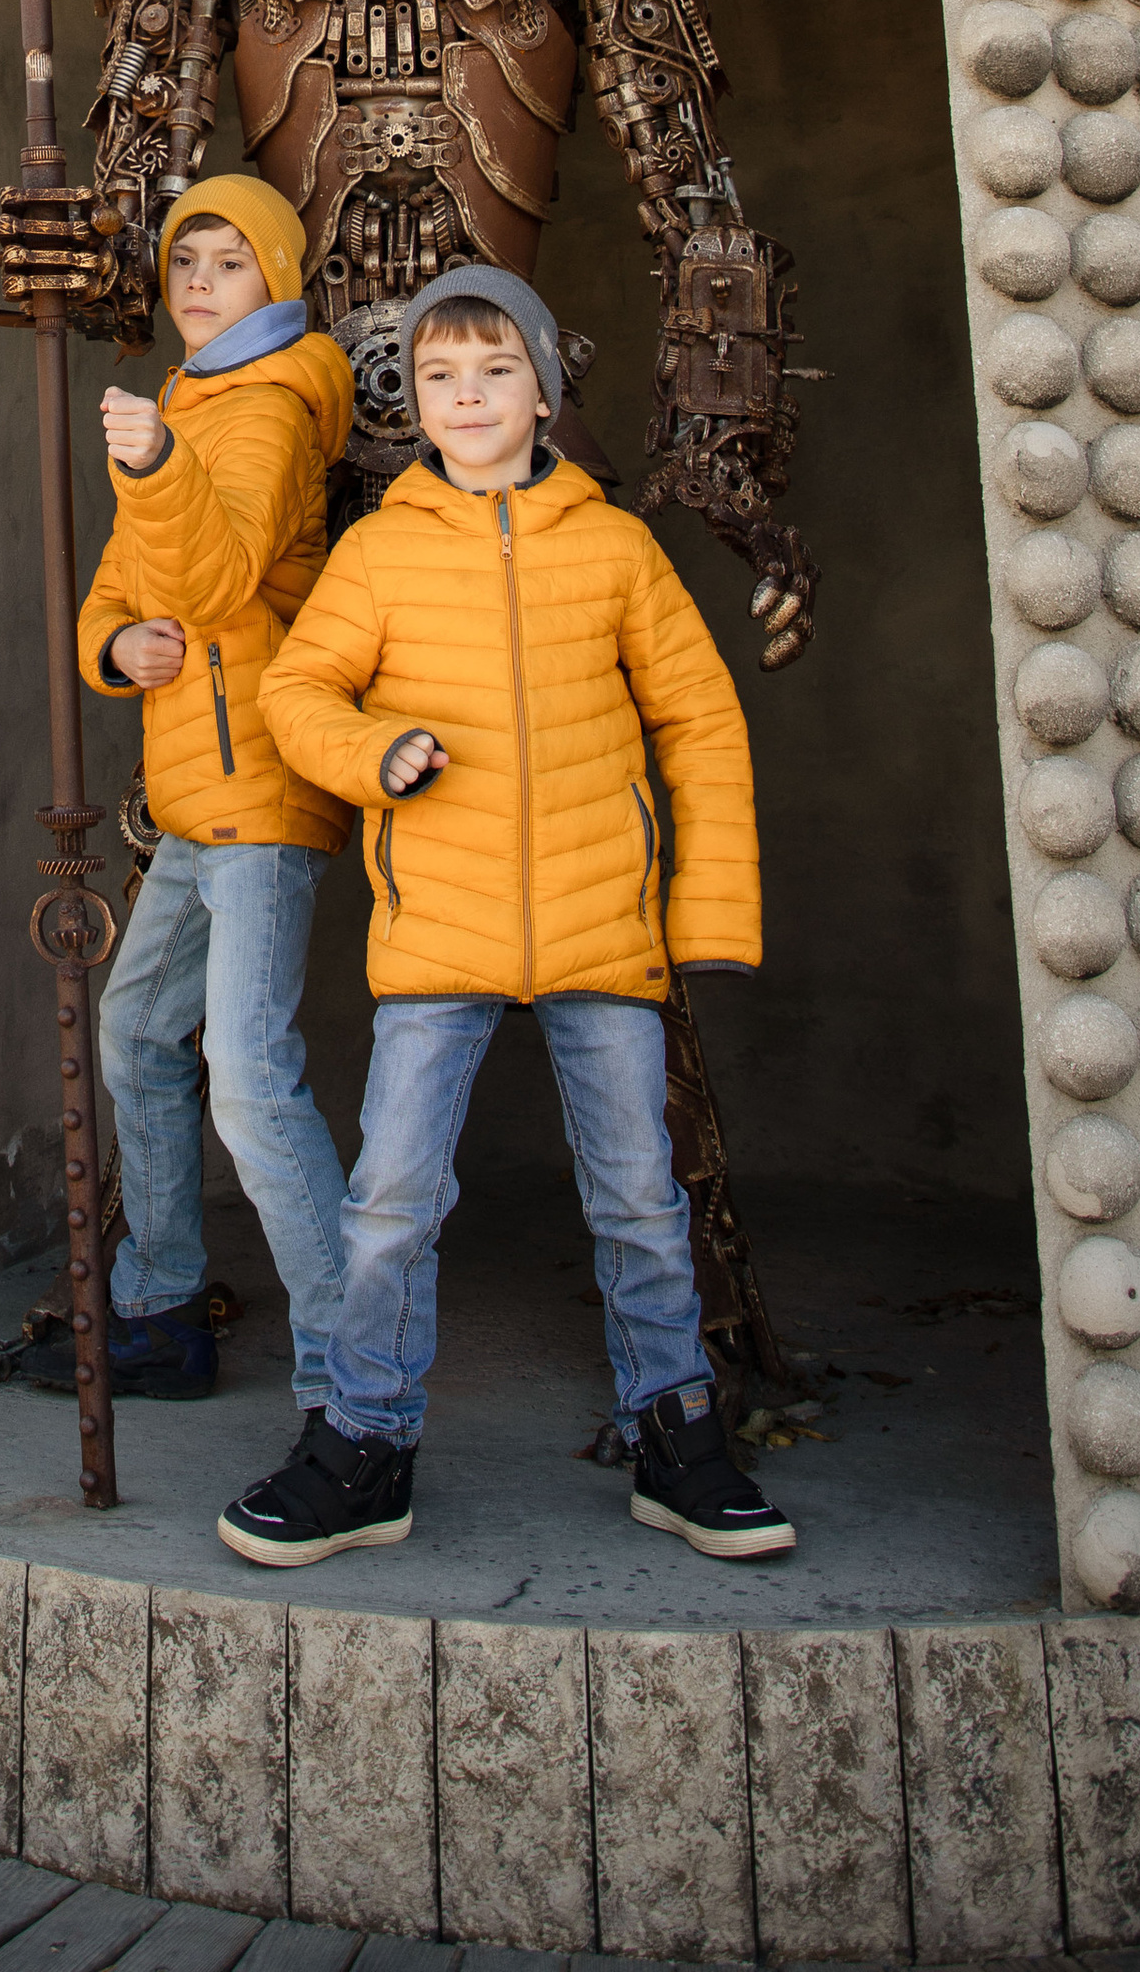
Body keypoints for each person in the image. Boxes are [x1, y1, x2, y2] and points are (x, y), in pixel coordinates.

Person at [216, 263, 795, 1568]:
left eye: (493, 372)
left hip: (605, 931)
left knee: (642, 1203)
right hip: (439, 934)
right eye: (438, 376)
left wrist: (703, 914)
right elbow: (299, 694)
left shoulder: (615, 548)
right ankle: (364, 1446)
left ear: (543, 388)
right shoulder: (379, 552)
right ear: (412, 403)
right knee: (391, 1207)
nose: (466, 397)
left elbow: (699, 721)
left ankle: (678, 1439)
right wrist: (375, 756)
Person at [23, 175, 355, 1417]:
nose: (199, 280)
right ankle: (160, 1308)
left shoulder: (267, 406)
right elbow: (117, 596)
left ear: (274, 275)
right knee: (135, 1037)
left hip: (260, 792)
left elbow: (214, 583)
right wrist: (115, 654)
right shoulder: (191, 402)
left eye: (228, 260)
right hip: (193, 797)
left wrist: (158, 466)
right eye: (185, 262)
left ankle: (348, 1369)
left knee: (253, 1083)